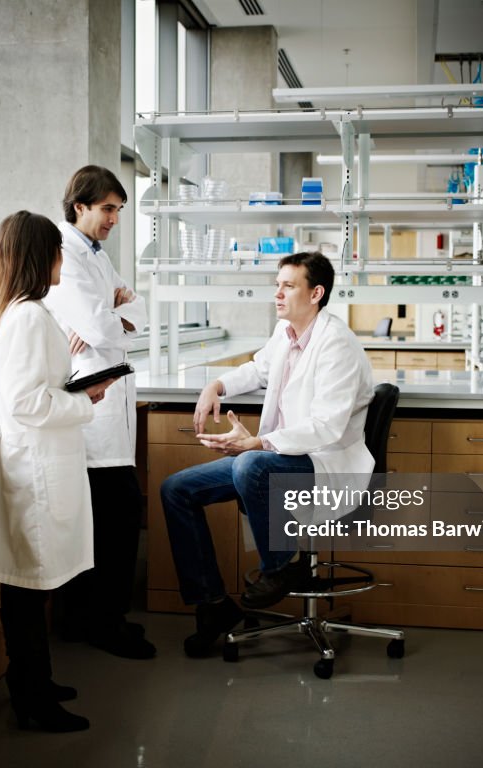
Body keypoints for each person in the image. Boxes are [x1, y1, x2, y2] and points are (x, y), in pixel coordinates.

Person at [160, 252, 375, 658]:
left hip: (324, 464)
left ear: (316, 293)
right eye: (277, 284)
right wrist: (217, 386)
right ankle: (214, 606)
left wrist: (258, 443)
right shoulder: (286, 331)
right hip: (274, 461)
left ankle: (280, 566)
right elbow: (258, 369)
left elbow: (326, 427)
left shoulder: (337, 344)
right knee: (176, 490)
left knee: (251, 464)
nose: (277, 293)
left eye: (288, 286)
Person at [0, 210, 116, 732]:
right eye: (57, 250)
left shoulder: (26, 312)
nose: (64, 259)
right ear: (41, 255)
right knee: (27, 589)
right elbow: (27, 404)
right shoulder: (29, 316)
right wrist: (85, 400)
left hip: (40, 461)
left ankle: (37, 681)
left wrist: (78, 387)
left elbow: (36, 388)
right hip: (35, 467)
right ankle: (31, 698)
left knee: (33, 586)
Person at [44, 165, 155, 659]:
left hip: (105, 404)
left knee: (111, 518)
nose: (114, 219)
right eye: (108, 208)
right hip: (91, 410)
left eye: (119, 210)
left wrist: (121, 311)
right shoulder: (66, 254)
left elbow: (137, 314)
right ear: (80, 206)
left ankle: (95, 620)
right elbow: (101, 325)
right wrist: (115, 313)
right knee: (116, 517)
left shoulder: (94, 254)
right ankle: (102, 624)